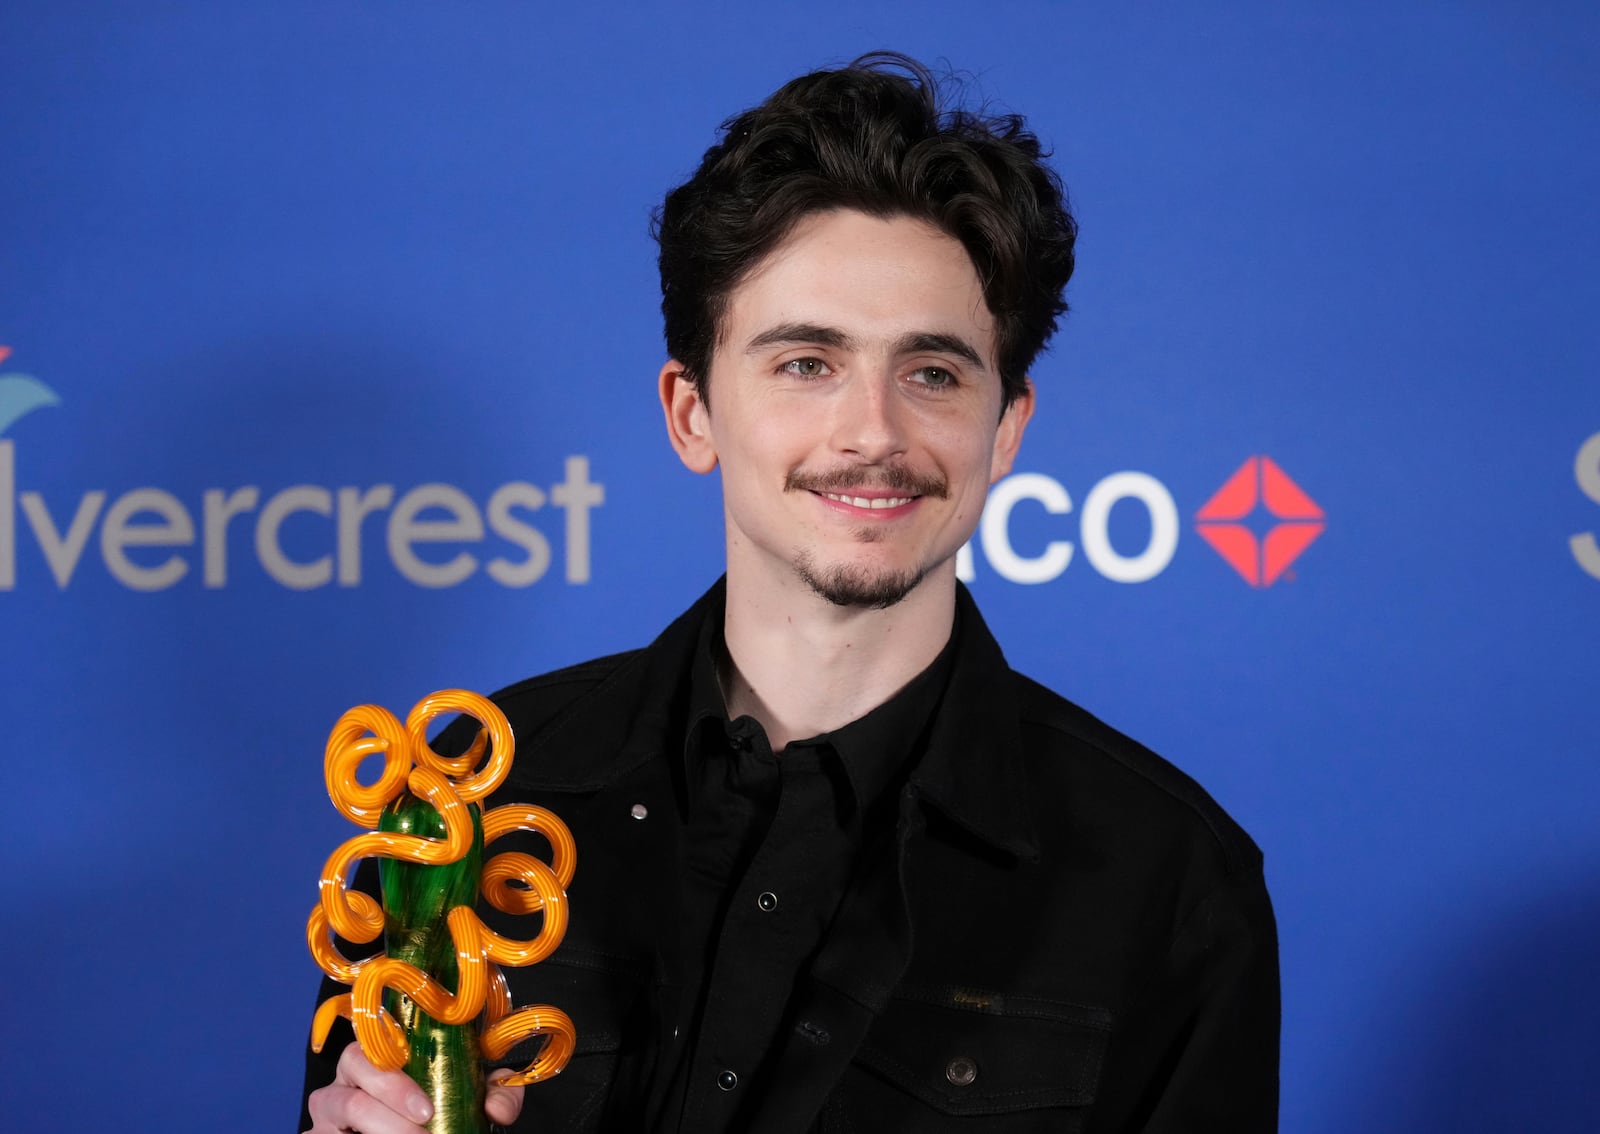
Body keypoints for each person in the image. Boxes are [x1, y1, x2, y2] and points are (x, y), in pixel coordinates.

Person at [302, 51, 1278, 1133]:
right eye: (806, 362)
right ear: (692, 414)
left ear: (1006, 429)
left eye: (934, 373)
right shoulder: (461, 809)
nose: (873, 432)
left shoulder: (1170, 883)